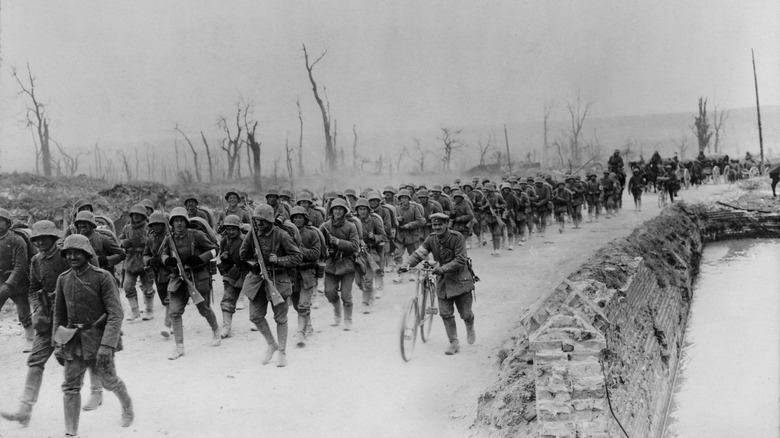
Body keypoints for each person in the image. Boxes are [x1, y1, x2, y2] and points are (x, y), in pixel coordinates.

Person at [53, 234, 134, 437]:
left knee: (109, 381)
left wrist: (107, 345)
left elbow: (116, 313)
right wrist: (57, 343)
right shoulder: (63, 279)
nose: (72, 257)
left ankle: (127, 407)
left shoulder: (102, 277)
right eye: (68, 253)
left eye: (77, 253)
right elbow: (59, 315)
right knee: (71, 386)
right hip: (73, 340)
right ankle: (71, 431)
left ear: (87, 254)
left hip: (98, 338)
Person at [1, 221, 65, 426]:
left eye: (45, 238)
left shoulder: (67, 256)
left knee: (81, 360)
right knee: (35, 360)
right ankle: (24, 410)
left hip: (71, 317)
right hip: (48, 316)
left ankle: (103, 390)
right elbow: (33, 289)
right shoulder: (36, 260)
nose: (41, 242)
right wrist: (37, 307)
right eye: (37, 239)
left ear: (54, 239)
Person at [399, 213, 475, 355]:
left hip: (460, 280)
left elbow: (460, 260)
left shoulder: (457, 237)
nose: (437, 227)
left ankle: (469, 325)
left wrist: (442, 268)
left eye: (440, 224)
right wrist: (407, 264)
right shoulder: (431, 238)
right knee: (445, 313)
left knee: (466, 313)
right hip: (443, 281)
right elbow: (419, 253)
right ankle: (453, 342)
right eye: (434, 225)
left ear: (447, 224)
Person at [74, 210, 126, 410]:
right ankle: (96, 392)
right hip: (82, 288)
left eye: (85, 224)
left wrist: (104, 261)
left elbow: (121, 253)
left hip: (103, 283)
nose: (81, 227)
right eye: (79, 224)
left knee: (105, 330)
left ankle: (115, 392)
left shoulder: (102, 239)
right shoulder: (75, 239)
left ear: (92, 226)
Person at [240, 205, 302, 367]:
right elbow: (243, 254)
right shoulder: (252, 234)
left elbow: (297, 257)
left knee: (280, 318)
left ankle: (282, 351)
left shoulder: (282, 235)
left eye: (262, 221)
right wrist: (253, 265)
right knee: (255, 316)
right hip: (258, 280)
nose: (259, 224)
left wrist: (279, 260)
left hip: (278, 279)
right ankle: (271, 344)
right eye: (256, 220)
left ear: (269, 221)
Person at [161, 207, 220, 360]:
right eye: (176, 221)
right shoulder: (169, 238)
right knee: (174, 312)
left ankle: (216, 331)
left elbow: (215, 249)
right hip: (178, 279)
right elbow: (162, 253)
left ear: (186, 222)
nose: (179, 224)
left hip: (197, 277)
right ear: (172, 223)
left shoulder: (197, 235)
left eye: (181, 220)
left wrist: (200, 259)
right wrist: (167, 260)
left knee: (204, 309)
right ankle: (179, 347)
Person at [319, 198, 360, 330]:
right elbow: (318, 243)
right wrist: (324, 249)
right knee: (329, 292)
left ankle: (348, 319)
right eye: (335, 209)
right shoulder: (325, 226)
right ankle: (337, 311)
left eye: (340, 209)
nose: (337, 211)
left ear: (344, 211)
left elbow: (355, 246)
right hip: (331, 264)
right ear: (331, 211)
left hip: (347, 264)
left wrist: (338, 242)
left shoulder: (351, 226)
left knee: (346, 295)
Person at [0, 209, 33, 353]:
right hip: (1, 280)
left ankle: (30, 339)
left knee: (23, 310)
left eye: (1, 221)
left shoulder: (17, 240)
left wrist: (9, 284)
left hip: (18, 280)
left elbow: (21, 266)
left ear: (8, 223)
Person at [289, 207, 322, 347]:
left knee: (303, 304)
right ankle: (307, 323)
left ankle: (300, 332)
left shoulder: (312, 234)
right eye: (295, 217)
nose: (297, 220)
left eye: (300, 217)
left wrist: (300, 250)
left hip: (307, 273)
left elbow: (316, 254)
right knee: (297, 304)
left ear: (305, 219)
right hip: (292, 274)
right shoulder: (287, 233)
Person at [118, 204, 154, 322]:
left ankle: (149, 310)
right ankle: (135, 311)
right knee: (127, 285)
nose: (136, 217)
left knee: (148, 287)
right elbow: (121, 239)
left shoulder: (149, 227)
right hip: (131, 260)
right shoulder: (127, 228)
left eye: (139, 215)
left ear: (143, 216)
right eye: (134, 215)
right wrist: (124, 243)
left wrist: (147, 241)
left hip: (145, 260)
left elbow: (155, 241)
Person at [142, 212, 173, 339]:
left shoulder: (171, 236)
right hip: (158, 273)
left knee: (171, 299)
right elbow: (145, 254)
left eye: (158, 224)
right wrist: (149, 261)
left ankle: (167, 324)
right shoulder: (150, 239)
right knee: (164, 299)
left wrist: (167, 260)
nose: (156, 227)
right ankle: (173, 320)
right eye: (153, 225)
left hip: (171, 271)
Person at [217, 215, 248, 339]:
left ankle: (256, 321)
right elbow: (221, 254)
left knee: (255, 298)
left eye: (233, 229)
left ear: (238, 228)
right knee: (227, 299)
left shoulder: (246, 239)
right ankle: (226, 327)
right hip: (231, 272)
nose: (231, 232)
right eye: (228, 229)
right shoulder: (224, 241)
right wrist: (224, 257)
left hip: (246, 272)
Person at [354, 199, 386, 314]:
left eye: (364, 209)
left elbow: (383, 236)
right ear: (357, 210)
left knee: (368, 280)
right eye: (360, 209)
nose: (362, 211)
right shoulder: (353, 221)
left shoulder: (373, 221)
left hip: (369, 253)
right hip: (356, 254)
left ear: (368, 210)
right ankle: (369, 294)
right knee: (358, 281)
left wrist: (374, 237)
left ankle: (365, 302)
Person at [479, 183, 507, 256]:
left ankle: (498, 249)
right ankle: (495, 249)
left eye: (488, 190)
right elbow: (481, 208)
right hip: (488, 217)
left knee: (497, 233)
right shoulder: (484, 198)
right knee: (493, 234)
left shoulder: (498, 196)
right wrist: (485, 206)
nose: (487, 192)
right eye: (486, 190)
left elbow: (505, 204)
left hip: (497, 215)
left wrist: (499, 206)